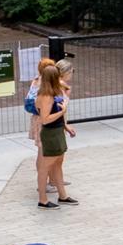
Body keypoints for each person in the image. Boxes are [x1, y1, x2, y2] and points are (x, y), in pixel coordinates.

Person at [26, 59, 73, 199]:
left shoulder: (39, 82)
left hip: (49, 124)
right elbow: (46, 118)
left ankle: (53, 184)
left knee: (52, 158)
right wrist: (62, 111)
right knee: (44, 157)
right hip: (46, 126)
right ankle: (43, 193)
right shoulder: (47, 91)